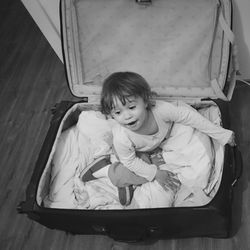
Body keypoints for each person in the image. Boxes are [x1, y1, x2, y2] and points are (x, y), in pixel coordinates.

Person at [99, 71, 236, 206]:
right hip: (138, 150)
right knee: (131, 170)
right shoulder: (122, 137)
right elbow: (130, 161)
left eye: (132, 107)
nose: (127, 116)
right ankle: (105, 170)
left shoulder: (161, 110)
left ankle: (133, 177)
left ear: (146, 101)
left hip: (161, 140)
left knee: (195, 154)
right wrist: (155, 173)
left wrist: (221, 134)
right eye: (118, 112)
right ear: (111, 115)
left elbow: (191, 118)